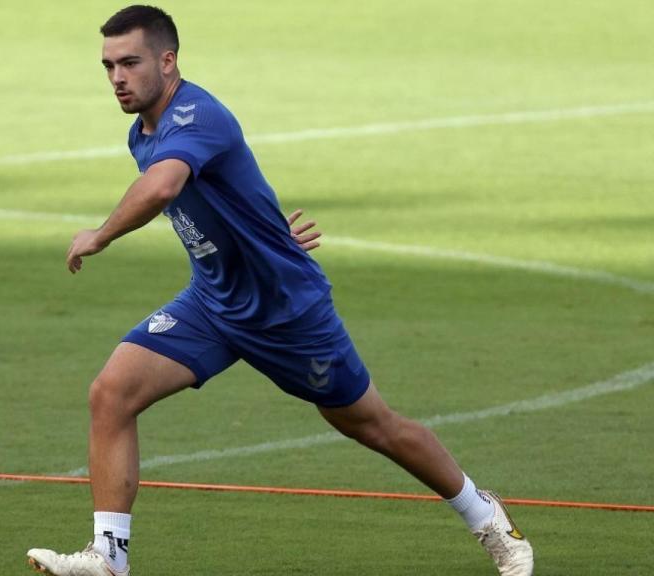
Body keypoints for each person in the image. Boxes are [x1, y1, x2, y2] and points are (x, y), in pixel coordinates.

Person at [27, 5, 533, 576]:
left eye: (130, 63)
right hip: (213, 304)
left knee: (372, 425)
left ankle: (487, 517)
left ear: (168, 61)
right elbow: (218, 201)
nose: (118, 77)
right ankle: (109, 556)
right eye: (108, 66)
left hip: (287, 313)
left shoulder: (197, 113)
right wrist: (266, 235)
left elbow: (165, 187)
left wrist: (100, 234)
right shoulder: (141, 133)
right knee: (111, 393)